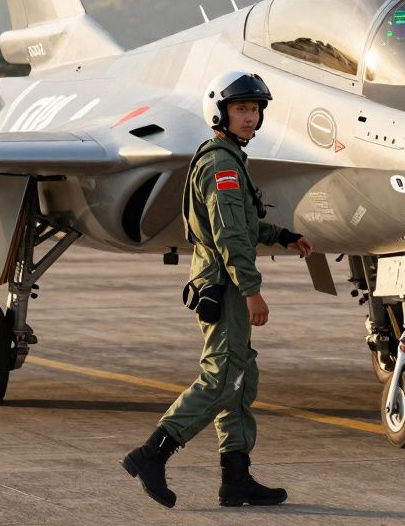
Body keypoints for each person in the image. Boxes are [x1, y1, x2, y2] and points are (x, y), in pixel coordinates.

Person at [122, 71, 314, 508]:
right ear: (221, 113)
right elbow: (228, 237)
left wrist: (282, 235)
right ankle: (152, 455)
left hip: (224, 282)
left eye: (255, 109)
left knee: (241, 379)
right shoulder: (221, 164)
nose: (250, 117)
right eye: (242, 109)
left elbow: (242, 225)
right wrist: (252, 290)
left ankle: (236, 478)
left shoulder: (229, 158)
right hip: (226, 287)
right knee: (221, 378)